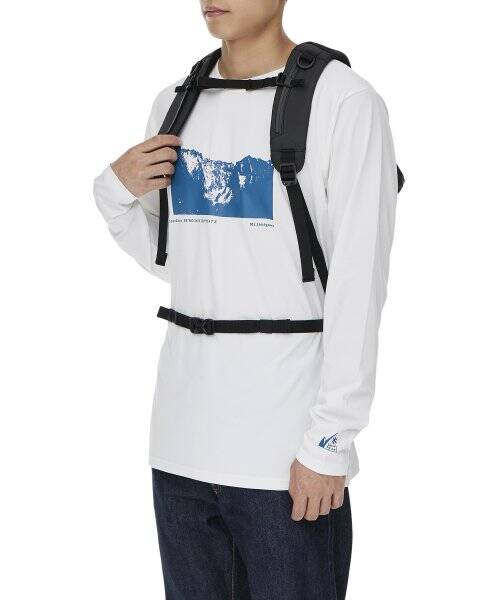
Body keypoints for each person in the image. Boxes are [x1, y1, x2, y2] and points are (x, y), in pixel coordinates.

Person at [94, 1, 399, 598]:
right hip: (180, 451)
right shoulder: (175, 103)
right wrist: (113, 193)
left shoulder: (344, 102)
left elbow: (359, 287)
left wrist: (330, 442)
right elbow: (185, 263)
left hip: (286, 458)